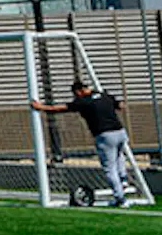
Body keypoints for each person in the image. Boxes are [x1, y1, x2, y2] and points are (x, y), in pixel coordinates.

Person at [40, 78, 140, 207]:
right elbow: (120, 105)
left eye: (75, 94)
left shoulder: (83, 101)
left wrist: (41, 107)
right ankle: (123, 179)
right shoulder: (104, 95)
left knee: (109, 169)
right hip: (120, 132)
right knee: (119, 156)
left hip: (105, 135)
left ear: (79, 91)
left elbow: (59, 108)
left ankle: (121, 198)